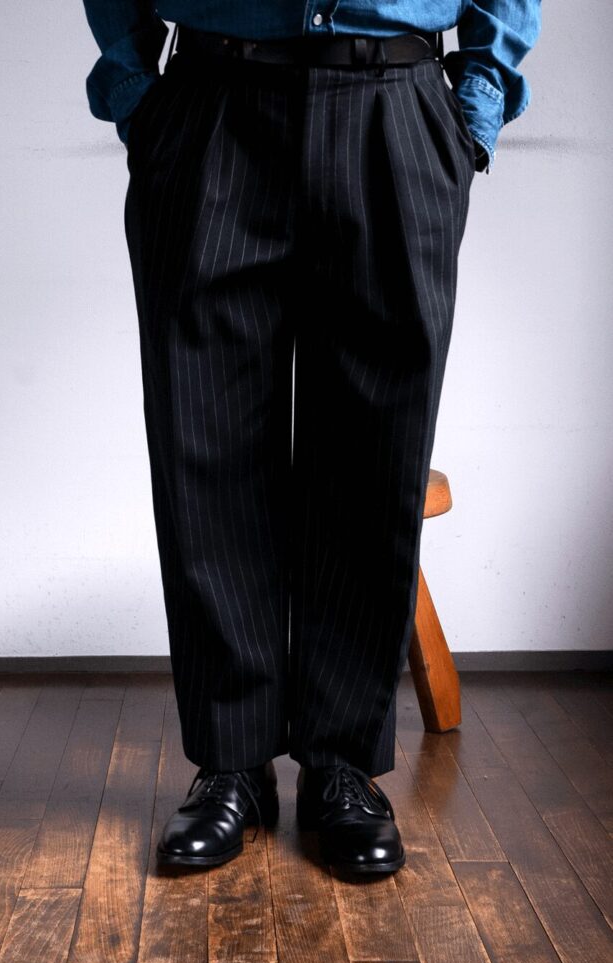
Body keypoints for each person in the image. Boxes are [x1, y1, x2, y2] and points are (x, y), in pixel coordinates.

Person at [81, 2, 541, 875]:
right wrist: (141, 93)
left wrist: (473, 109)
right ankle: (231, 760)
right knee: (203, 439)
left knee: (374, 450)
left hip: (393, 103)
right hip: (213, 100)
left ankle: (341, 763)